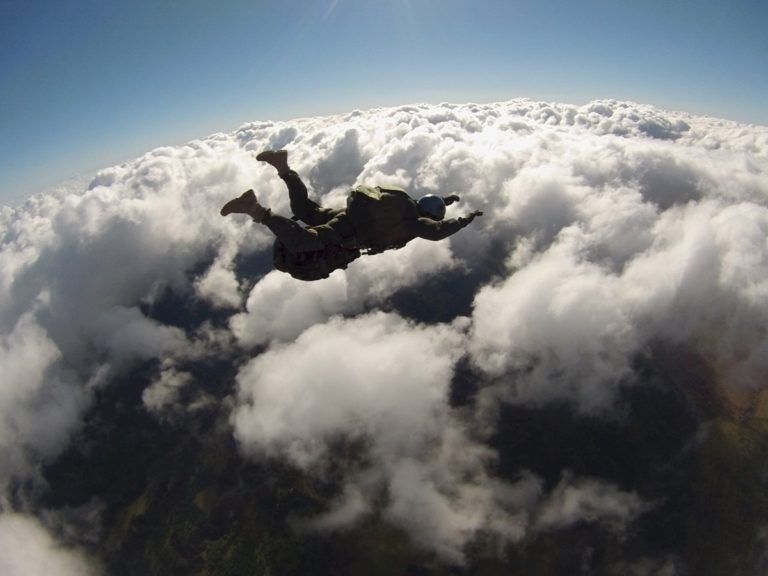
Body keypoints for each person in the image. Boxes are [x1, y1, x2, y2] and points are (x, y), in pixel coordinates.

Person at [220, 150, 483, 281]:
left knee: (305, 211)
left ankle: (283, 166)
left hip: (347, 215)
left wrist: (446, 199)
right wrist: (465, 219)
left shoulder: (405, 203)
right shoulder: (415, 224)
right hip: (349, 232)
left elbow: (428, 202)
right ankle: (254, 209)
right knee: (304, 241)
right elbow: (439, 231)